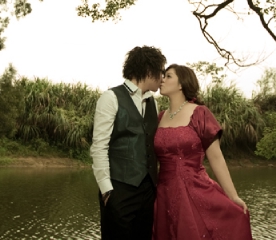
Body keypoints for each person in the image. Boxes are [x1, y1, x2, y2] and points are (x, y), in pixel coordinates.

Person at [153, 64, 253, 240]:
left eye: (168, 76)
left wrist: (233, 195)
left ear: (181, 84)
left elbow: (216, 158)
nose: (162, 79)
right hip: (163, 193)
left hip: (194, 190)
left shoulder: (200, 113)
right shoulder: (160, 116)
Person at [90, 45, 167, 240]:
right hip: (119, 190)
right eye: (161, 72)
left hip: (148, 190)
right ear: (149, 71)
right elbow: (99, 146)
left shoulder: (153, 102)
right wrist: (107, 190)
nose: (162, 77)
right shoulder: (111, 97)